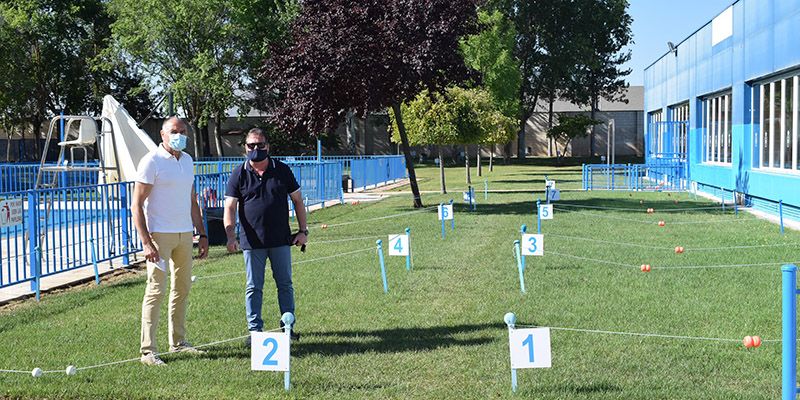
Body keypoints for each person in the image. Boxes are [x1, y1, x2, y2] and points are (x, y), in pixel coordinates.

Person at [132, 117, 209, 366]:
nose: (180, 135)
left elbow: (192, 199)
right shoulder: (151, 161)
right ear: (163, 135)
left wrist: (202, 233)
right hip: (159, 236)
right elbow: (136, 205)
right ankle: (148, 351)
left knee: (182, 289)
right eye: (174, 131)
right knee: (156, 290)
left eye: (183, 131)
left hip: (185, 234)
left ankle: (178, 342)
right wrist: (146, 242)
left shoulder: (187, 161)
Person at [223, 128, 307, 343]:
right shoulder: (238, 173)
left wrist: (303, 231)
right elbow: (230, 207)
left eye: (260, 145)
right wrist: (231, 235)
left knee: (285, 284)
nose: (256, 149)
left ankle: (287, 328)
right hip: (251, 242)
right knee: (254, 287)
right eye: (251, 145)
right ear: (245, 148)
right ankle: (255, 332)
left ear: (268, 147)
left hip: (280, 239)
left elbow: (298, 201)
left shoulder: (282, 170)